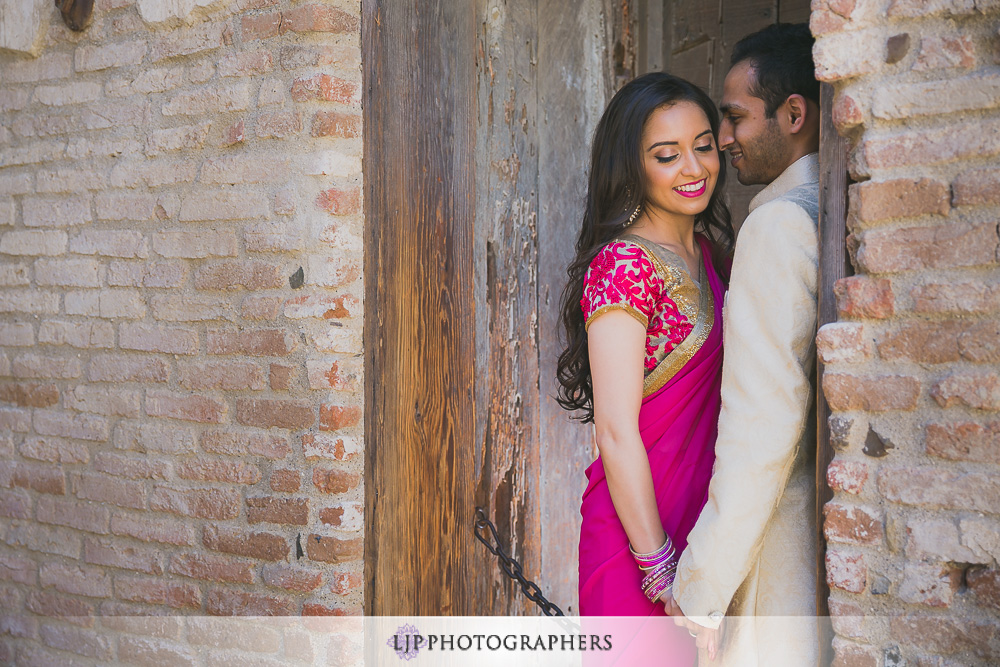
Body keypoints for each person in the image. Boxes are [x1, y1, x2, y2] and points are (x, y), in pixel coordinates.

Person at [555, 72, 735, 638]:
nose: (694, 168)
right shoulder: (625, 265)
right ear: (632, 166)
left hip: (707, 525)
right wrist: (661, 570)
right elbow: (614, 431)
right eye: (667, 155)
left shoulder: (713, 255)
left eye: (703, 146)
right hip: (637, 543)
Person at [666, 23, 823, 666]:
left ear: (793, 114)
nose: (722, 138)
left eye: (734, 117)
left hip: (776, 560)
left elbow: (762, 424)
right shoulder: (823, 204)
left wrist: (700, 586)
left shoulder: (779, 225)